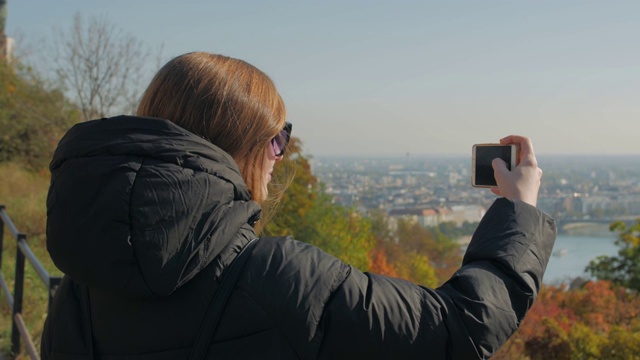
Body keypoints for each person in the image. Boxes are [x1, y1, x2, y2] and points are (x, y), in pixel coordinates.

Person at [41, 52, 556, 360]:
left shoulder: (78, 286)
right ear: (242, 143)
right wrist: (520, 208)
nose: (280, 155)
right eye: (278, 138)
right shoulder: (281, 279)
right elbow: (461, 330)